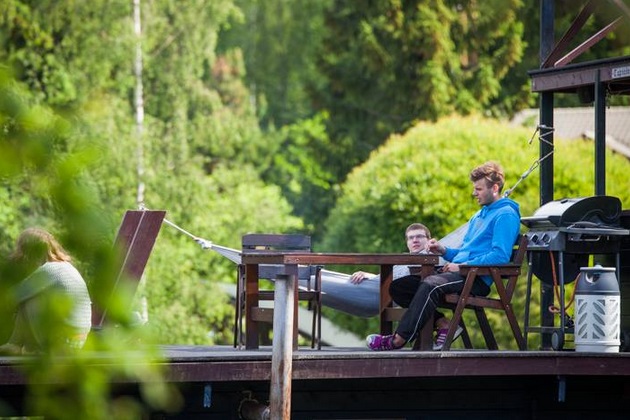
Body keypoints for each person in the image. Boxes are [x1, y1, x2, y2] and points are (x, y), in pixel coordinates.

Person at [366, 161, 521, 351]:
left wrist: (463, 266)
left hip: (476, 278)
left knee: (430, 285)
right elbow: (465, 250)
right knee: (400, 287)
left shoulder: (506, 215)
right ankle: (444, 325)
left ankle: (398, 340)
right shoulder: (479, 216)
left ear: (495, 188)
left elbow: (500, 256)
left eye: (478, 189)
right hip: (460, 272)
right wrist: (444, 250)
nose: (474, 193)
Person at [350, 223, 463, 349]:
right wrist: (370, 277)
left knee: (401, 288)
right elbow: (393, 276)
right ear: (407, 242)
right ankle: (442, 323)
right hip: (403, 290)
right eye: (411, 238)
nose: (415, 240)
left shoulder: (435, 256)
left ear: (428, 240)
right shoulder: (403, 260)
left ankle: (398, 339)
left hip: (436, 286)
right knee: (397, 287)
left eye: (419, 236)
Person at [0, 228, 92, 355]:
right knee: (33, 297)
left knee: (29, 299)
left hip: (65, 343)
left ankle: (20, 346)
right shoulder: (63, 266)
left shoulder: (50, 270)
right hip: (77, 341)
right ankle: (15, 344)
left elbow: (11, 298)